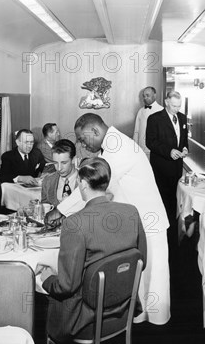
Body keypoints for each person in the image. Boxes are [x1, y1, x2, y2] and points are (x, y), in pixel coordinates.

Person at [45, 113, 171, 325]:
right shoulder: (113, 144)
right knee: (139, 276)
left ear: (95, 131)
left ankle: (154, 331)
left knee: (153, 279)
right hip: (133, 219)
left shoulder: (120, 147)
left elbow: (94, 184)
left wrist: (60, 210)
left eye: (83, 139)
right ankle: (136, 320)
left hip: (148, 220)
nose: (82, 143)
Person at [37, 158, 147, 343]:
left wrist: (46, 279)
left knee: (40, 289)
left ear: (83, 184)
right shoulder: (131, 212)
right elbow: (141, 262)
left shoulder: (74, 223)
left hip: (85, 319)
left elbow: (66, 286)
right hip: (124, 310)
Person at [145, 90, 189, 222]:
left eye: (179, 106)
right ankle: (163, 225)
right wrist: (169, 151)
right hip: (161, 166)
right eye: (174, 106)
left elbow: (184, 138)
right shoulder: (154, 118)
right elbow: (150, 142)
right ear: (166, 102)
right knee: (163, 198)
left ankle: (174, 227)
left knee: (175, 197)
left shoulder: (182, 118)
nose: (177, 109)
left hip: (177, 166)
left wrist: (185, 148)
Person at [41, 139, 79, 207]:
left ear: (73, 160)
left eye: (64, 163)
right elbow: (45, 207)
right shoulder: (47, 181)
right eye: (55, 163)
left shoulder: (86, 181)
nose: (59, 168)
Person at [133, 86, 163, 158]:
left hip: (155, 151)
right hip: (141, 150)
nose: (145, 98)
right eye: (144, 96)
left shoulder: (162, 111)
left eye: (147, 95)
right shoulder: (140, 111)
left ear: (154, 95)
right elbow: (136, 131)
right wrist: (135, 148)